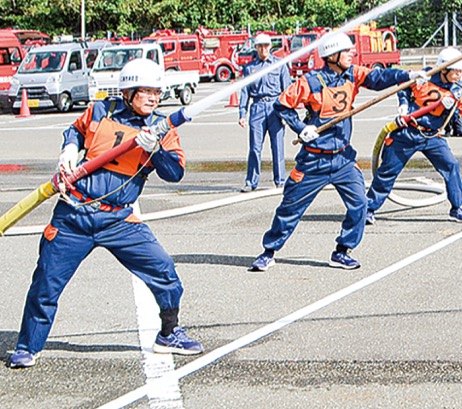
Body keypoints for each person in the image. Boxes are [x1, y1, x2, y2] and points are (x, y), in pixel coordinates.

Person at [7, 59, 201, 369]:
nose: (153, 98)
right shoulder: (101, 111)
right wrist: (68, 152)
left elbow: (175, 172)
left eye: (157, 92)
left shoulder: (162, 128)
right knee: (46, 283)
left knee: (164, 271)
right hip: (74, 215)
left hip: (119, 220)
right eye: (146, 91)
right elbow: (74, 131)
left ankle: (168, 333)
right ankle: (28, 347)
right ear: (128, 92)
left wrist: (156, 150)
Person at [249, 32, 416, 273]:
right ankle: (269, 251)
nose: (352, 54)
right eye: (347, 52)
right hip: (313, 160)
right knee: (289, 209)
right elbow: (281, 106)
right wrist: (301, 128)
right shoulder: (311, 81)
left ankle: (342, 251)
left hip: (343, 159)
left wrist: (407, 76)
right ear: (332, 56)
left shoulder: (353, 74)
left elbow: (378, 78)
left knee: (361, 205)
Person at [366, 46, 462, 226]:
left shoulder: (458, 90)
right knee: (388, 171)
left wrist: (450, 109)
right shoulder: (425, 76)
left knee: (451, 165)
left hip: (432, 136)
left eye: (461, 72)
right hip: (407, 131)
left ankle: (456, 207)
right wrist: (403, 107)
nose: (459, 75)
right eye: (455, 71)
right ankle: (368, 209)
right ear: (444, 69)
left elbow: (457, 118)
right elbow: (404, 89)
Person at [238, 32, 293, 191]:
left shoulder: (279, 64)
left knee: (278, 146)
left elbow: (287, 90)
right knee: (255, 147)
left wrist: (288, 113)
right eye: (260, 46)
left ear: (270, 47)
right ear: (255, 48)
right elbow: (245, 92)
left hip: (275, 107)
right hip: (257, 108)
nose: (263, 49)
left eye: (266, 46)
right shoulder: (250, 69)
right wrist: (242, 113)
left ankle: (280, 180)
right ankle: (251, 182)